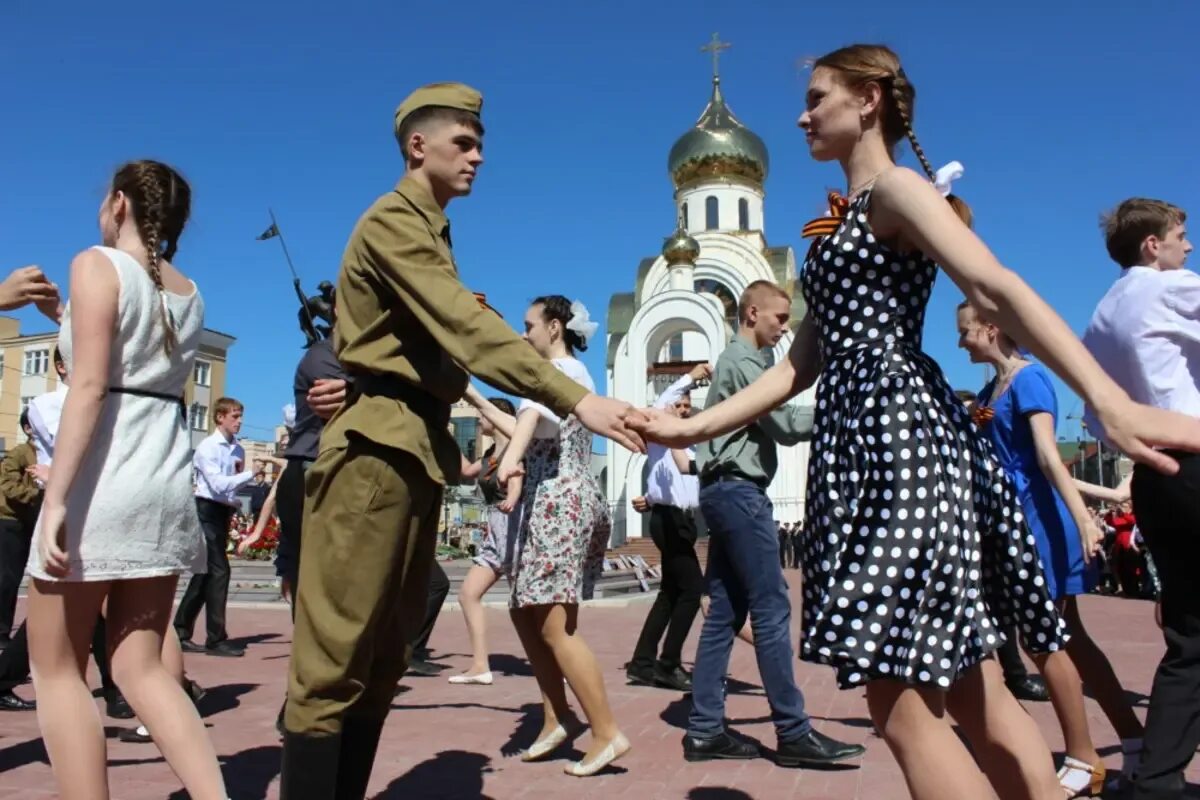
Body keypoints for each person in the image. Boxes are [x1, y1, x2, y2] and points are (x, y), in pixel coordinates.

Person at [629, 44, 1200, 800]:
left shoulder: (896, 191)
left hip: (896, 440)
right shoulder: (842, 225)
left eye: (818, 97)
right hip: (869, 441)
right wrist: (691, 429)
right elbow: (797, 369)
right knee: (971, 689)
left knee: (896, 702)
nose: (802, 114)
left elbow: (993, 283)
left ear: (867, 100)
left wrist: (1107, 399)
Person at [281, 84, 642, 799]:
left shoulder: (431, 232)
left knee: (384, 655)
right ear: (419, 146)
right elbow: (462, 328)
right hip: (375, 455)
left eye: (481, 144)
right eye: (464, 142)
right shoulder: (394, 221)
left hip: (410, 450)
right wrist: (577, 396)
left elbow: (429, 349)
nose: (479, 156)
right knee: (334, 658)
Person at [26, 160, 226, 798]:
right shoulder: (189, 292)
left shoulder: (95, 263)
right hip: (163, 484)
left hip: (100, 482)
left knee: (57, 669)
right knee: (142, 667)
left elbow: (88, 385)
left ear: (118, 203)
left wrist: (55, 497)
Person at [958, 300, 1145, 791]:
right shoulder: (990, 390)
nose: (961, 341)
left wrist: (1084, 518)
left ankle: (1085, 758)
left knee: (1049, 640)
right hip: (1013, 524)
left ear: (991, 328)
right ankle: (1133, 742)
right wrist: (1107, 494)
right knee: (1069, 639)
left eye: (966, 331)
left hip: (1038, 523)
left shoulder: (1028, 380)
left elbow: (1045, 456)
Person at [677, 280, 862, 768]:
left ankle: (704, 730)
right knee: (772, 606)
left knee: (723, 615)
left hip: (723, 491)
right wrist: (836, 410)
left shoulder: (738, 359)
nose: (784, 327)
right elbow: (780, 425)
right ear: (752, 312)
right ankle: (793, 731)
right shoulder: (745, 362)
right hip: (740, 492)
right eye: (780, 318)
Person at [469, 296, 629, 777]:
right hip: (548, 505)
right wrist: (475, 397)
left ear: (554, 327)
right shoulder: (549, 380)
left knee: (557, 627)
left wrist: (512, 459)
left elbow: (532, 419)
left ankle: (605, 731)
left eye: (528, 325)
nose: (523, 334)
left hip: (561, 504)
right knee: (524, 612)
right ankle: (556, 717)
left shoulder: (565, 375)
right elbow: (524, 420)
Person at [1081, 197, 1198, 800]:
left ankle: (1156, 779)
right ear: (1153, 245)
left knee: (1190, 636)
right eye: (1181, 234)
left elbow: (1099, 415)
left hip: (1154, 476)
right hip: (1193, 453)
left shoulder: (1105, 311)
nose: (1188, 245)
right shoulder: (1172, 287)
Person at [626, 363, 710, 693]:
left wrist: (649, 495)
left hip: (683, 521)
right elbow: (665, 398)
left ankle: (642, 664)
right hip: (668, 520)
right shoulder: (662, 433)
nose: (683, 409)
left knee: (670, 593)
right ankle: (669, 663)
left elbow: (678, 482)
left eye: (688, 406)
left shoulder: (688, 443)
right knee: (692, 589)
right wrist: (692, 376)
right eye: (680, 405)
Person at [448, 391, 523, 686]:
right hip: (496, 529)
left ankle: (562, 664)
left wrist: (514, 496)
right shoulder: (490, 455)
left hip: (516, 527)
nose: (480, 421)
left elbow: (517, 477)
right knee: (468, 594)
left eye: (483, 416)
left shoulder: (515, 451)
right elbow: (466, 470)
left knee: (530, 604)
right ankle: (480, 665)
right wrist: (445, 434)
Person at [174, 397, 256, 657]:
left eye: (241, 416)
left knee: (205, 574)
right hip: (205, 510)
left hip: (222, 512)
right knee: (219, 571)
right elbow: (219, 484)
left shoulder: (238, 450)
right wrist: (253, 473)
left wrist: (234, 501)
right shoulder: (207, 448)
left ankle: (180, 631)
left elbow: (230, 487)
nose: (239, 421)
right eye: (234, 416)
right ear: (219, 417)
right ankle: (216, 638)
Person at [0, 411, 41, 647]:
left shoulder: (51, 453)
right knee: (8, 578)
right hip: (11, 521)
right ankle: (2, 631)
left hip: (35, 521)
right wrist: (39, 494)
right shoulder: (19, 454)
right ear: (28, 429)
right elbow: (8, 486)